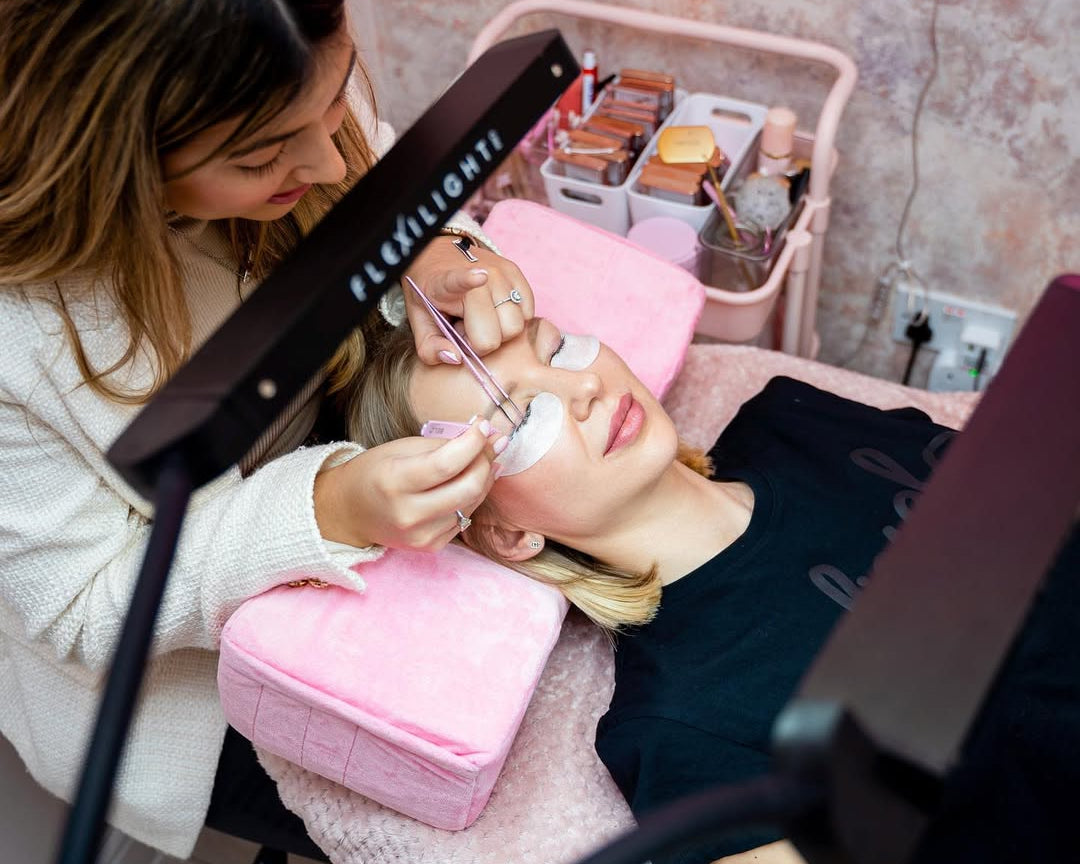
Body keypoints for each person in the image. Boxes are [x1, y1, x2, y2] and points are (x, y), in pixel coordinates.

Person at [0, 1, 537, 859]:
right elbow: (82, 608)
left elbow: (374, 173)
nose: (328, 161)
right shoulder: (20, 332)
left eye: (335, 103)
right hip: (186, 694)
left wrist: (435, 246)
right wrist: (326, 510)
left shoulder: (293, 83)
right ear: (112, 156)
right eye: (260, 157)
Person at [347, 315, 1079, 864]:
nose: (584, 387)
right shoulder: (679, 715)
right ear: (508, 535)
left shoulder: (787, 417)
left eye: (557, 346)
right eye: (520, 415)